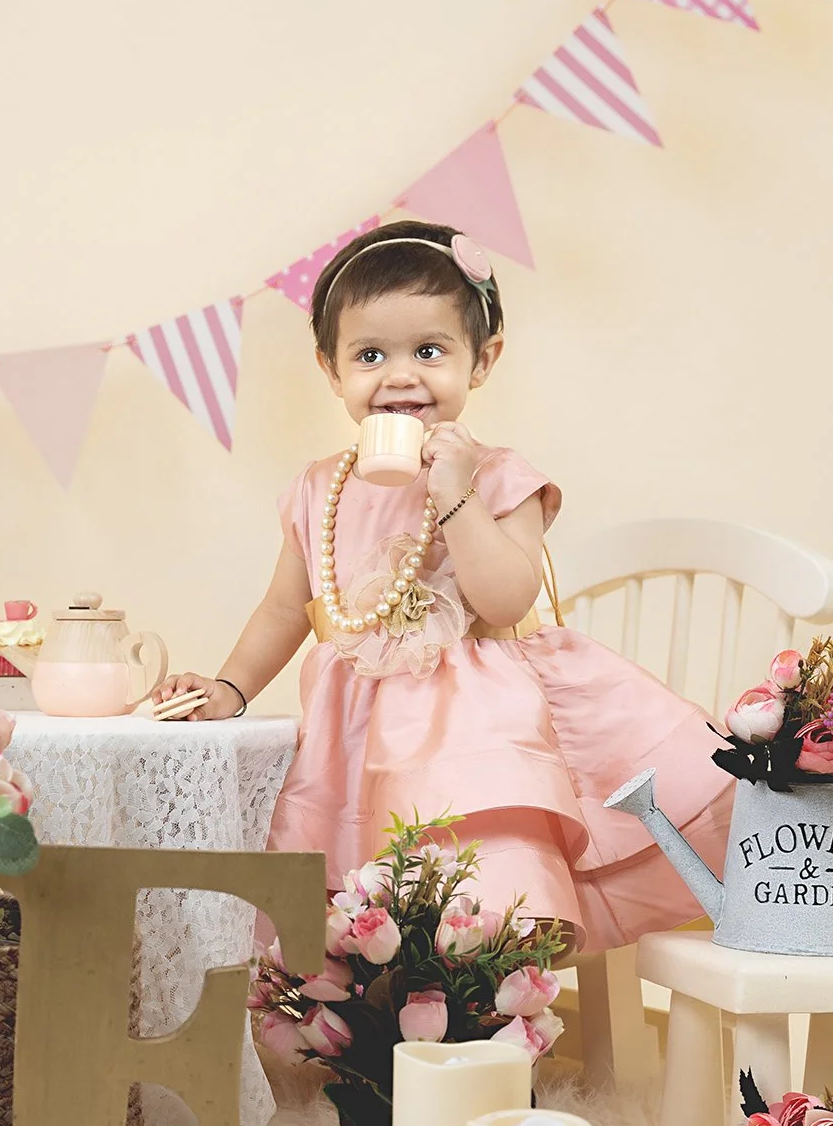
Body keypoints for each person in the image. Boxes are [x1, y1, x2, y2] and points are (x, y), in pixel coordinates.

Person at [154, 220, 730, 951]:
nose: (400, 376)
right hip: (354, 739)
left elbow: (506, 599)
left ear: (480, 360)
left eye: (429, 351)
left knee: (477, 892)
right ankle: (380, 1007)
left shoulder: (496, 475)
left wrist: (455, 492)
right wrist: (230, 688)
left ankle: (484, 993)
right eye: (370, 355)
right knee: (354, 922)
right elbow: (283, 608)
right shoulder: (319, 489)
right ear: (331, 370)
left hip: (474, 726)